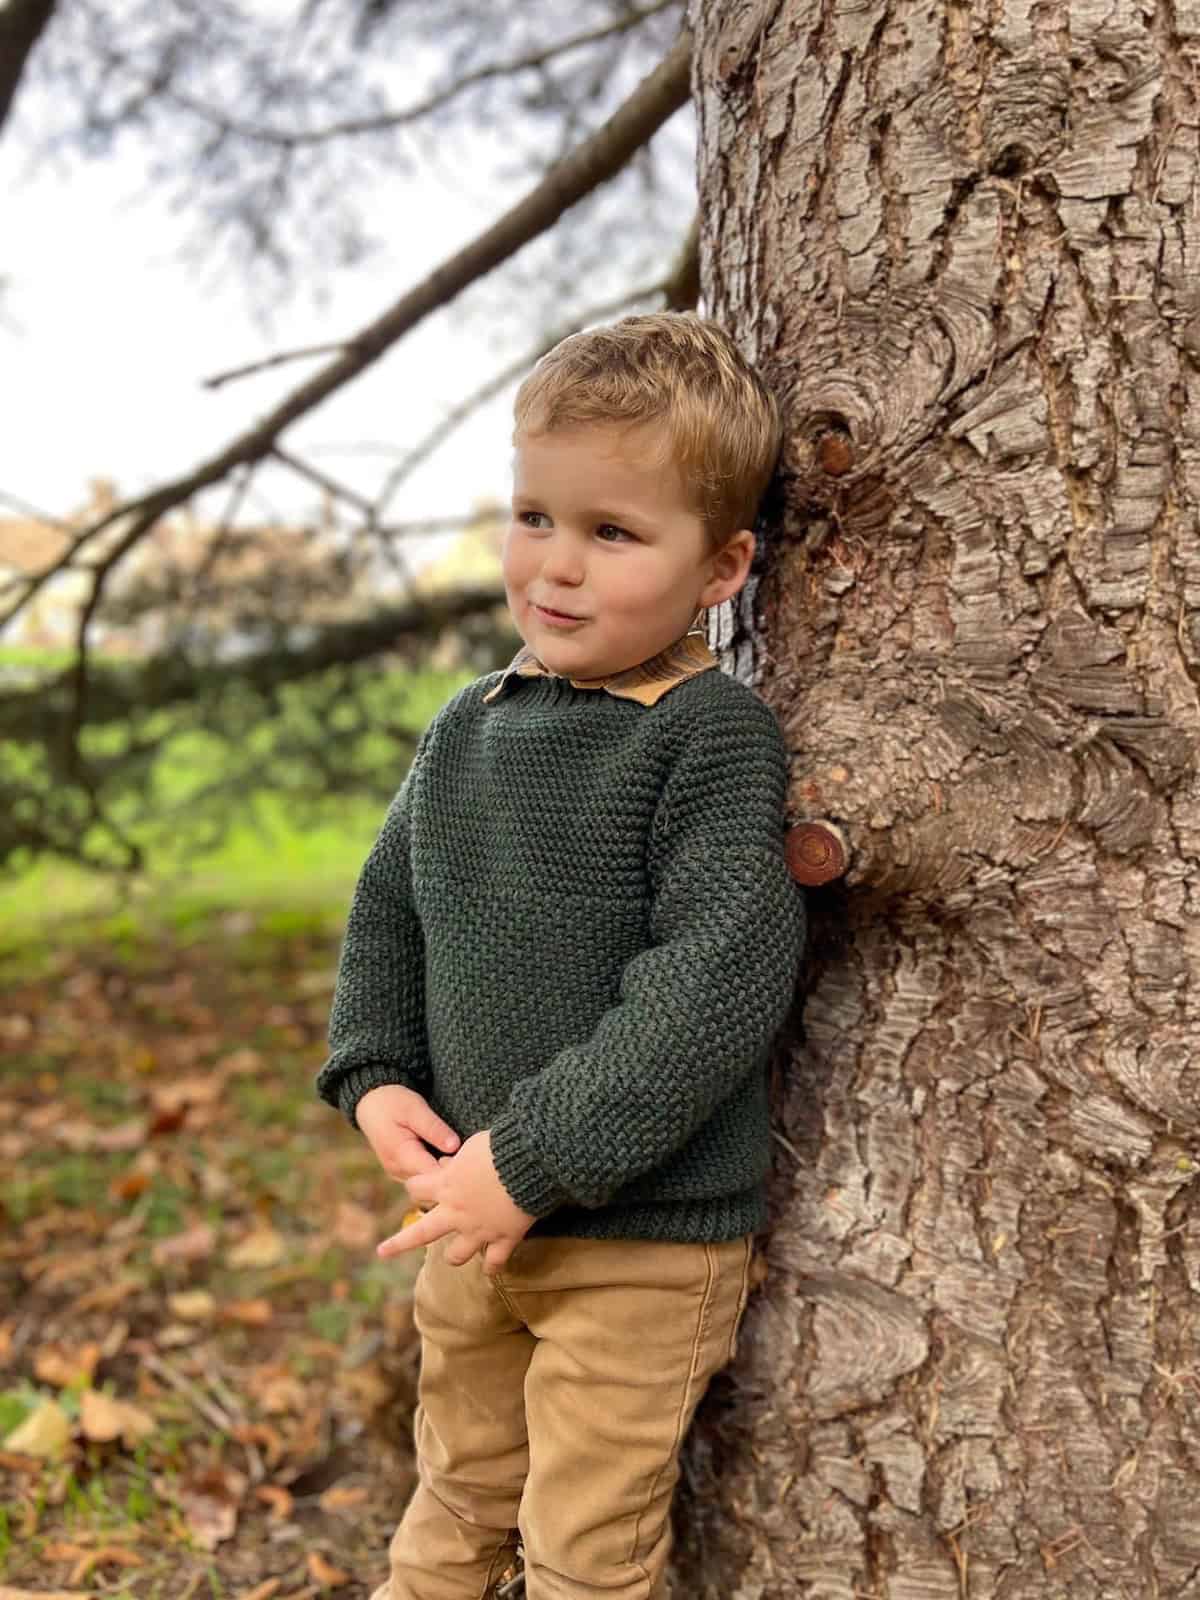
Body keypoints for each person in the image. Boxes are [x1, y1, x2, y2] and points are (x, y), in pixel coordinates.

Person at [316, 311, 806, 1600]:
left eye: (614, 533)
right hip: (471, 1223)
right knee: (454, 1496)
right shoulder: (471, 723)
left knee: (587, 1544)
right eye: (535, 516)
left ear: (723, 567)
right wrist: (373, 1072)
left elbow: (714, 982)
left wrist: (531, 1163)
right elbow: (391, 907)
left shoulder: (710, 739)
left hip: (637, 1242)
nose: (558, 568)